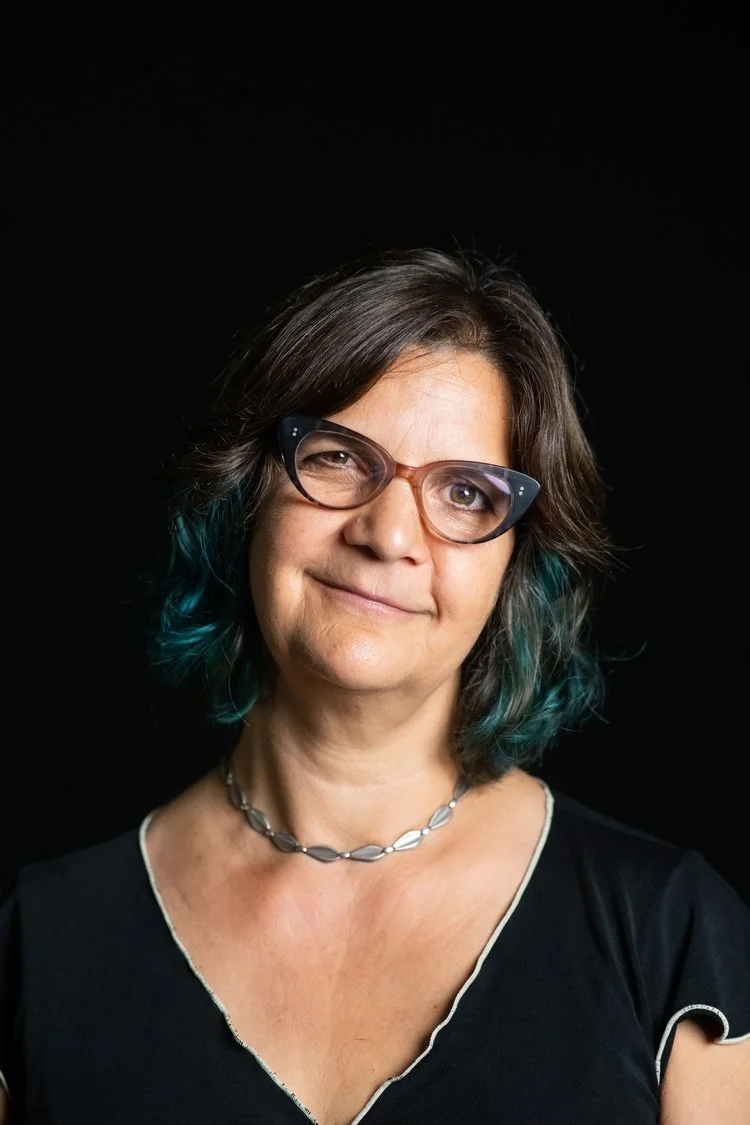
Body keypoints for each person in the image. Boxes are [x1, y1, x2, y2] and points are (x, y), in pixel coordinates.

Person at [1, 247, 748, 1125]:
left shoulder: (669, 933)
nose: (388, 533)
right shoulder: (39, 944)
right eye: (338, 456)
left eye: (465, 493)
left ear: (518, 564)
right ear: (247, 491)